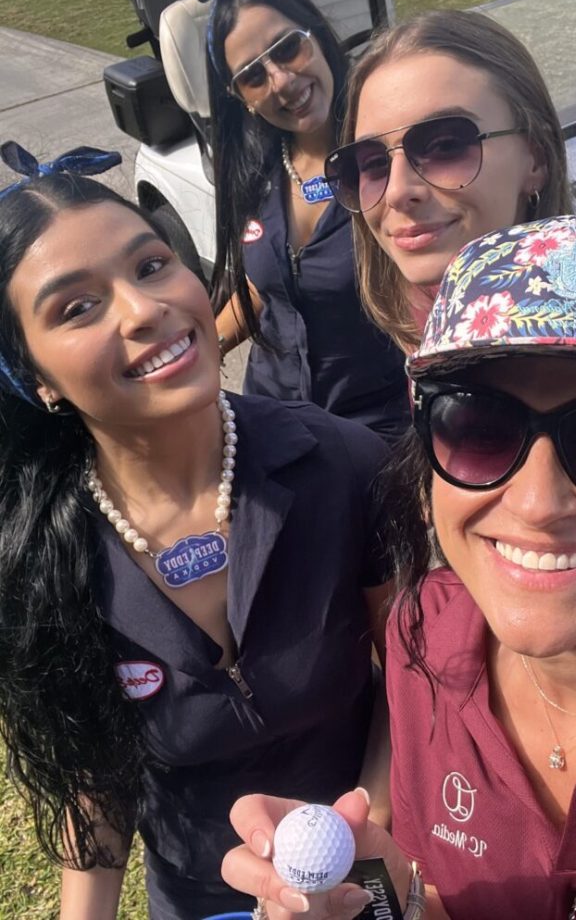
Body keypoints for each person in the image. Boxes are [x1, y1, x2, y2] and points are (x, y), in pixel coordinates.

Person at [219, 216, 576, 919]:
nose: (537, 504)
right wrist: (371, 894)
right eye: (481, 428)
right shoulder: (425, 632)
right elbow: (421, 896)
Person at [0, 143, 393, 920]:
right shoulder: (40, 555)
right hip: (198, 901)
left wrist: (361, 836)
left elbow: (411, 687)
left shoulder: (345, 465)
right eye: (77, 307)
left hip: (363, 863)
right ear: (35, 378)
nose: (144, 308)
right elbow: (98, 782)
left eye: (149, 265)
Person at [203, 0, 410, 443]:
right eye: (253, 75)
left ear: (317, 34)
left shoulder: (389, 157)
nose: (281, 80)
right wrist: (206, 347)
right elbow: (265, 283)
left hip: (377, 431)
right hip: (271, 420)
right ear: (241, 99)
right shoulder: (254, 172)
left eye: (287, 48)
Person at [323, 9, 573, 352]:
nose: (396, 192)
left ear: (537, 158)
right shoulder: (423, 302)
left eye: (445, 146)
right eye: (374, 162)